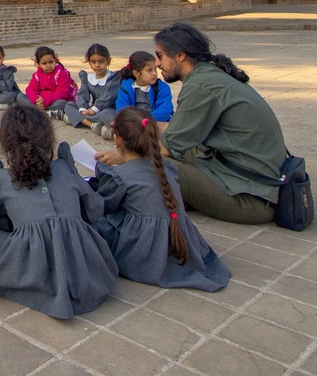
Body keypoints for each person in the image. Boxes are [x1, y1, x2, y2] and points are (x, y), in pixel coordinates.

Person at [96, 23, 286, 225]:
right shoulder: (209, 75)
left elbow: (168, 148)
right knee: (174, 152)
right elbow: (177, 129)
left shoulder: (200, 85)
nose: (158, 64)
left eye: (160, 56)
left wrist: (123, 156)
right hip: (257, 183)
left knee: (148, 164)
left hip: (252, 197)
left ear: (180, 56)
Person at [0, 105, 118, 319]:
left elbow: (1, 222)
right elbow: (95, 209)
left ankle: (28, 271)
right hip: (81, 267)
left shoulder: (4, 177)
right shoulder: (65, 168)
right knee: (91, 225)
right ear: (49, 140)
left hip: (28, 266)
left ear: (7, 145)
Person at [92, 107, 229, 290]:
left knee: (95, 222)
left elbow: (105, 205)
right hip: (179, 239)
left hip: (145, 251)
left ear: (117, 140)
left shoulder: (120, 176)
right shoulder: (166, 167)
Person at [60, 43, 120, 133]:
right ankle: (92, 125)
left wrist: (93, 110)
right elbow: (82, 96)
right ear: (89, 62)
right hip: (92, 111)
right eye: (93, 62)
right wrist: (83, 109)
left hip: (108, 109)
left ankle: (77, 119)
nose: (97, 65)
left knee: (105, 114)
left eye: (101, 61)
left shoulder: (113, 77)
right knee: (69, 105)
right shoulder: (88, 78)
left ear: (108, 61)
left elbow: (108, 97)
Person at [112, 51, 174, 136]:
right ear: (136, 73)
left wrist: (143, 121)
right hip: (135, 124)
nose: (154, 73)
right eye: (149, 70)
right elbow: (122, 111)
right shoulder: (125, 89)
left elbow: (164, 111)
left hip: (155, 123)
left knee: (170, 128)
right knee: (109, 115)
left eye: (155, 69)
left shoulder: (162, 88)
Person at [24, 46, 76, 116]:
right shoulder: (37, 75)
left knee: (62, 103)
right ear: (38, 64)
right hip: (40, 101)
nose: (48, 66)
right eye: (44, 63)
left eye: (51, 62)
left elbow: (62, 93)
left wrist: (45, 101)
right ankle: (43, 110)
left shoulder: (61, 73)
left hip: (54, 101)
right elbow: (30, 89)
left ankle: (38, 110)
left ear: (55, 60)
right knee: (20, 97)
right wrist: (36, 100)